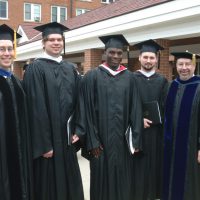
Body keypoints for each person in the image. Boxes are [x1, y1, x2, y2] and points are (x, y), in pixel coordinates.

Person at [75, 34, 142, 200]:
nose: (116, 56)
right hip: (100, 143)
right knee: (100, 182)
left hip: (122, 143)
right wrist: (92, 141)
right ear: (105, 52)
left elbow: (136, 110)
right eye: (112, 52)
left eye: (119, 53)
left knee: (123, 181)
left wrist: (136, 140)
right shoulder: (91, 77)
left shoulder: (130, 78)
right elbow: (85, 110)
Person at [23, 22, 84, 200]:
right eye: (52, 40)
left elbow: (80, 102)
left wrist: (79, 130)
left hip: (67, 141)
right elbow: (35, 108)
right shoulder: (36, 68)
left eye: (59, 39)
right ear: (43, 43)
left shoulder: (70, 69)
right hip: (49, 146)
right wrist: (44, 144)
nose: (56, 43)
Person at [0, 24, 33, 200]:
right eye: (1, 49)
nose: (7, 53)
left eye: (10, 49)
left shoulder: (17, 83)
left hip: (19, 153)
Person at [132, 39, 168, 200]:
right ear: (139, 58)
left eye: (152, 58)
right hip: (136, 133)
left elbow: (167, 106)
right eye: (145, 57)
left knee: (155, 167)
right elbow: (125, 105)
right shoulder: (130, 79)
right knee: (137, 169)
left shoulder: (163, 81)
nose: (148, 61)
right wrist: (137, 119)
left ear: (156, 59)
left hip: (156, 133)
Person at [163, 51, 200, 200]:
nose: (184, 67)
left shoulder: (198, 86)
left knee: (189, 183)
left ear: (194, 65)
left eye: (188, 64)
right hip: (170, 146)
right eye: (180, 64)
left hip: (191, 147)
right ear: (176, 66)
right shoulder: (171, 85)